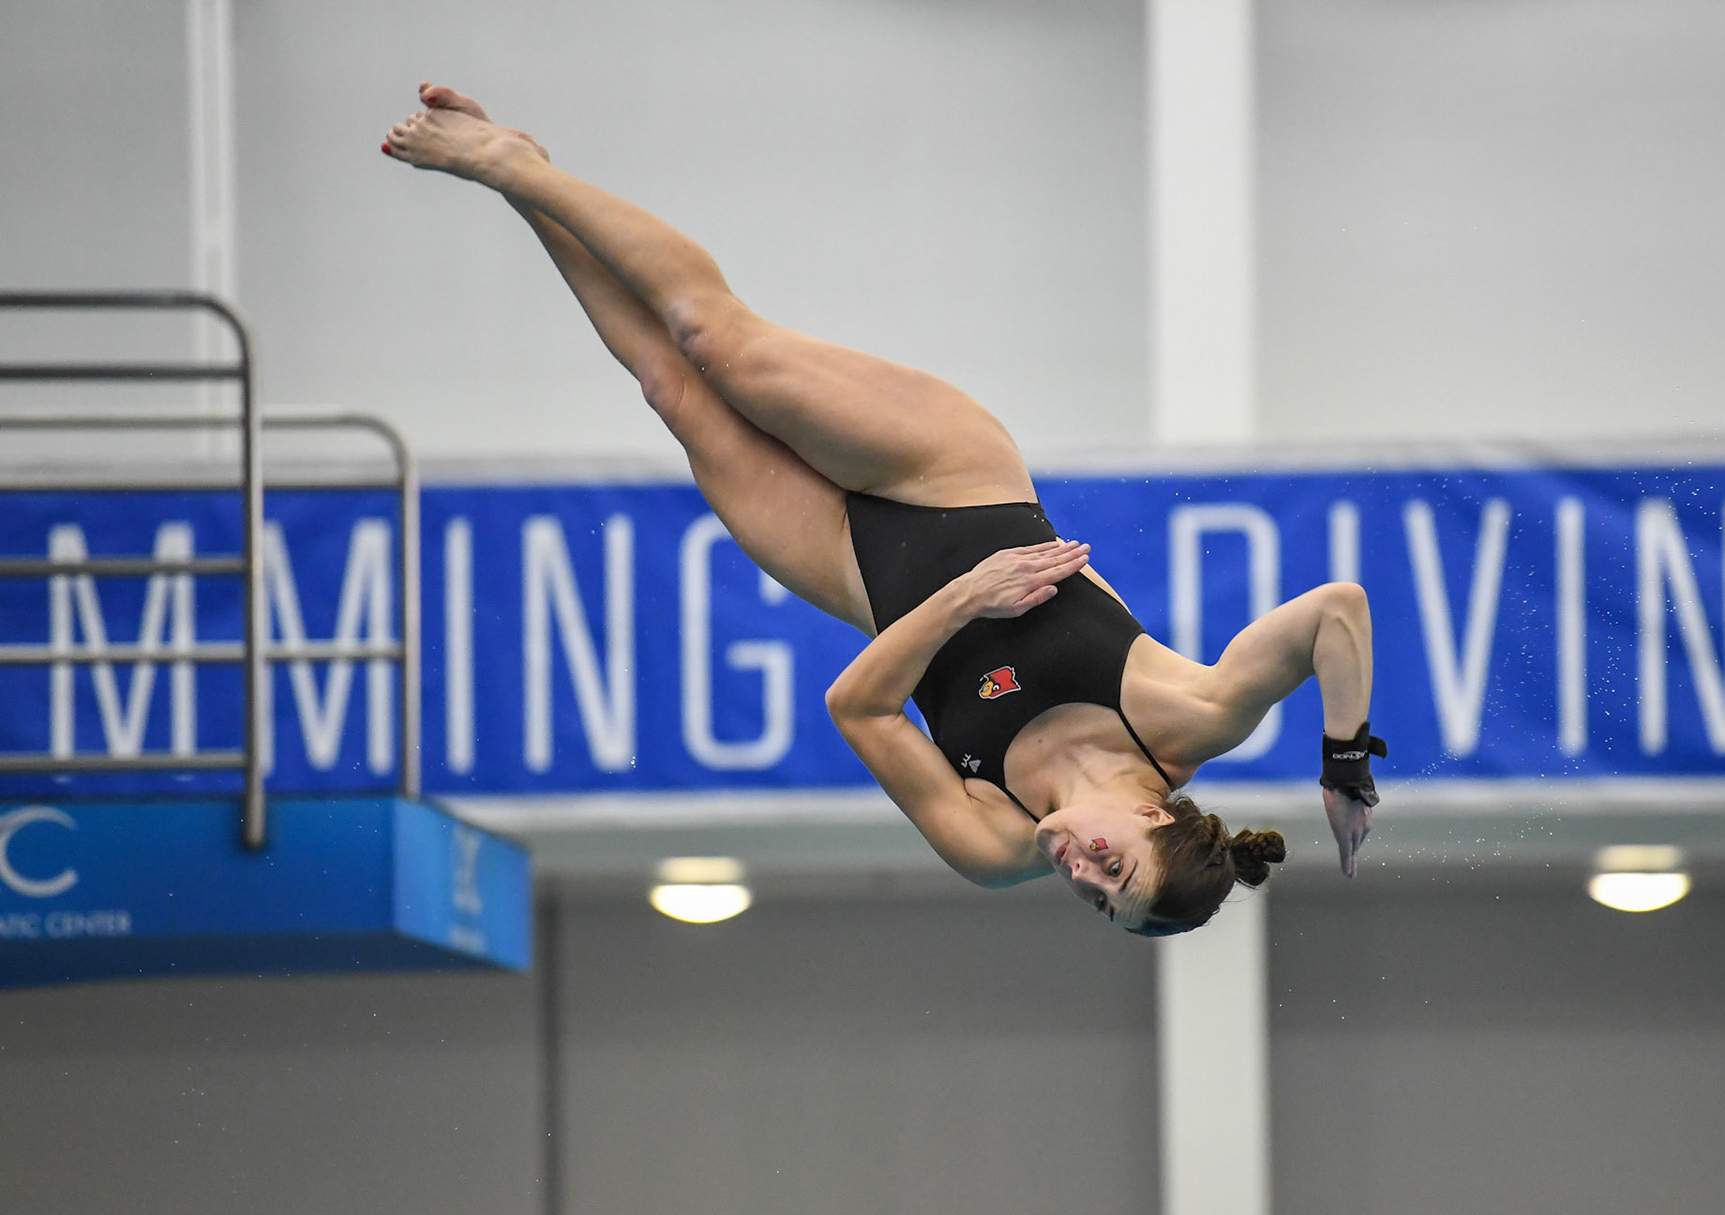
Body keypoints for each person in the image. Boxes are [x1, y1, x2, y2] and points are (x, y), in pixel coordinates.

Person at [383, 84, 1385, 935]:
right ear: (1159, 822)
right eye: (1112, 870)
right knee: (711, 338)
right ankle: (515, 169)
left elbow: (855, 704)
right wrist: (1345, 761)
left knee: (668, 388)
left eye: (1094, 900)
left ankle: (522, 180)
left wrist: (964, 602)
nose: (1081, 872)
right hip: (951, 473)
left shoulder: (995, 843)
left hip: (861, 573)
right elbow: (1337, 610)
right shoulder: (1189, 716)